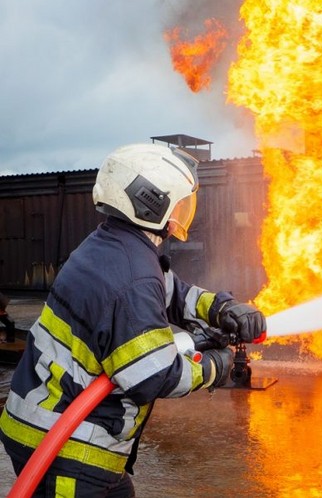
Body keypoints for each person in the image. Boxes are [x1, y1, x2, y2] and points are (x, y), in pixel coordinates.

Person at [0, 144, 267, 497]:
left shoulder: (113, 246)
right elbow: (154, 376)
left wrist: (221, 308)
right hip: (67, 448)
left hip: (45, 425)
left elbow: (172, 292)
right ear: (150, 201)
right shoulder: (132, 274)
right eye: (178, 203)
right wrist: (217, 365)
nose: (181, 214)